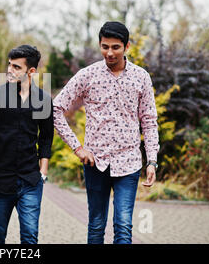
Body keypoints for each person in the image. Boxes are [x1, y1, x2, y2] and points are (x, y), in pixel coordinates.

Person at [53, 21, 159, 244]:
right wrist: (77, 147)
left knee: (123, 226)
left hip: (128, 162)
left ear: (126, 46)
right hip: (95, 163)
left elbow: (149, 121)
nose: (109, 53)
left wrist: (152, 160)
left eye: (115, 47)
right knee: (96, 225)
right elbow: (56, 108)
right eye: (105, 47)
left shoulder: (141, 78)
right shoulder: (87, 75)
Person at [0, 45, 54, 244]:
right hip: (0, 180)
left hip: (31, 181)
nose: (10, 70)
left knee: (30, 237)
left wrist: (43, 172)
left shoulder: (44, 100)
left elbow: (46, 139)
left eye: (16, 67)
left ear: (31, 71)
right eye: (9, 65)